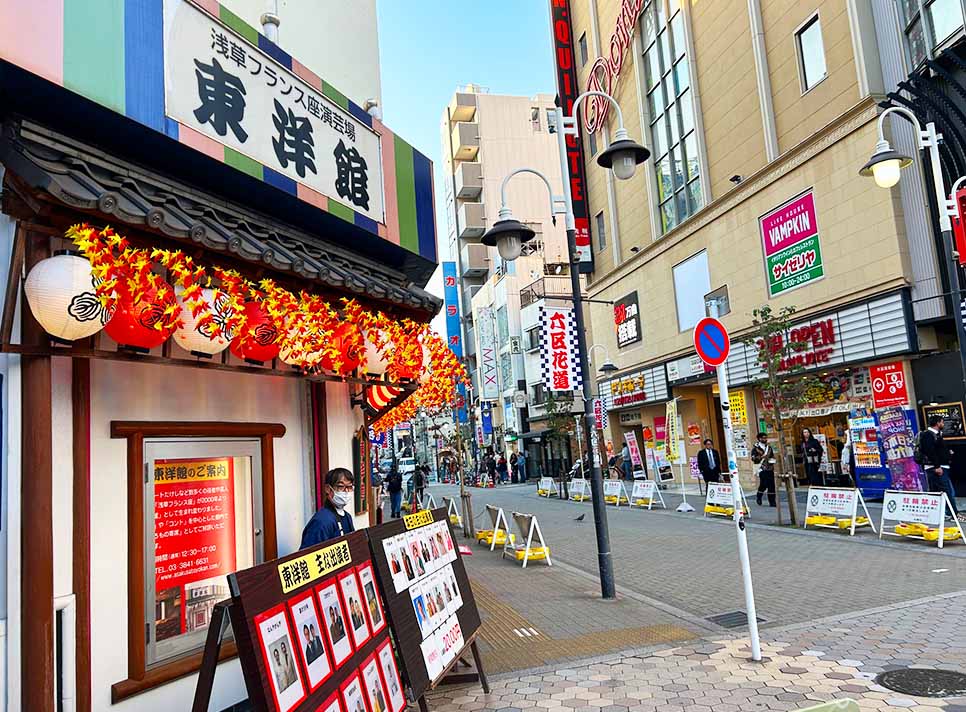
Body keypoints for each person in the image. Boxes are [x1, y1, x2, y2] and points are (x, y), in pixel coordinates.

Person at [300, 468, 355, 548]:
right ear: (328, 489)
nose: (346, 491)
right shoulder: (321, 521)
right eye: (340, 486)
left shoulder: (347, 516)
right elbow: (308, 553)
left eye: (349, 487)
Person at [920, 414, 961, 520]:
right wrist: (937, 466)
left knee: (944, 491)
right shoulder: (928, 435)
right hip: (936, 468)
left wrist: (947, 452)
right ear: (938, 423)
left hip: (941, 467)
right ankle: (952, 514)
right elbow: (930, 451)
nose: (943, 424)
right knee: (945, 491)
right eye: (942, 422)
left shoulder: (937, 435)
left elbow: (936, 450)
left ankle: (945, 513)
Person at [751, 432, 776, 507]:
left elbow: (772, 456)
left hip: (769, 468)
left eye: (766, 438)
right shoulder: (755, 448)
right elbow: (753, 458)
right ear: (759, 439)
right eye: (763, 438)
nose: (765, 439)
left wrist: (772, 460)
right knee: (764, 484)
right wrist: (761, 457)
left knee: (771, 485)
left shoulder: (769, 447)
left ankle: (772, 502)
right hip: (761, 468)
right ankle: (759, 496)